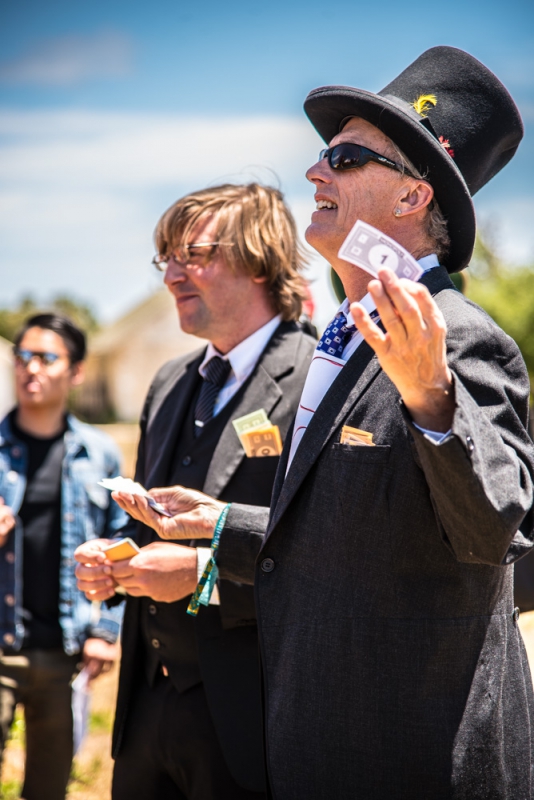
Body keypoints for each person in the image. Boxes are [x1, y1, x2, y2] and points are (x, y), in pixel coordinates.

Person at [108, 47, 534, 799]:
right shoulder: (344, 339)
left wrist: (433, 397)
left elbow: (493, 531)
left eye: (344, 157)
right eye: (322, 155)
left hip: (410, 759)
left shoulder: (460, 337)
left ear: (412, 196)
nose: (314, 172)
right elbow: (354, 538)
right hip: (315, 746)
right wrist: (221, 523)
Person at [74, 183, 316, 799]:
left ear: (259, 260)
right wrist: (113, 560)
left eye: (194, 255)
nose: (171, 276)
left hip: (253, 718)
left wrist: (203, 575)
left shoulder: (318, 382)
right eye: (167, 259)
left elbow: (330, 552)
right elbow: (144, 521)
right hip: (146, 707)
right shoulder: (171, 381)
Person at [0, 313, 126, 800]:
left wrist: (106, 631)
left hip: (65, 654)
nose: (30, 367)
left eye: (46, 357)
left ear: (75, 372)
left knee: (49, 788)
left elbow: (119, 545)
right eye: (22, 356)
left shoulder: (100, 454)